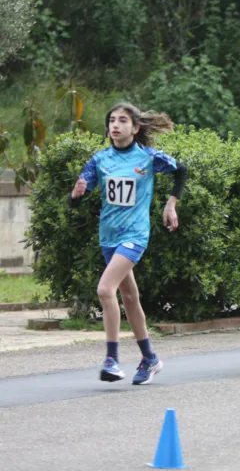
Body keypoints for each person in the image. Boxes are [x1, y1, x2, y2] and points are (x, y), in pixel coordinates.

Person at [67, 102, 188, 384]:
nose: (116, 125)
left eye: (123, 120)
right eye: (112, 120)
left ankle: (112, 359)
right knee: (130, 298)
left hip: (134, 235)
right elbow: (75, 201)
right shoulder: (100, 160)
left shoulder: (147, 157)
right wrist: (75, 195)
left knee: (104, 289)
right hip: (108, 237)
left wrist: (171, 204)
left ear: (135, 128)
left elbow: (180, 171)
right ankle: (150, 358)